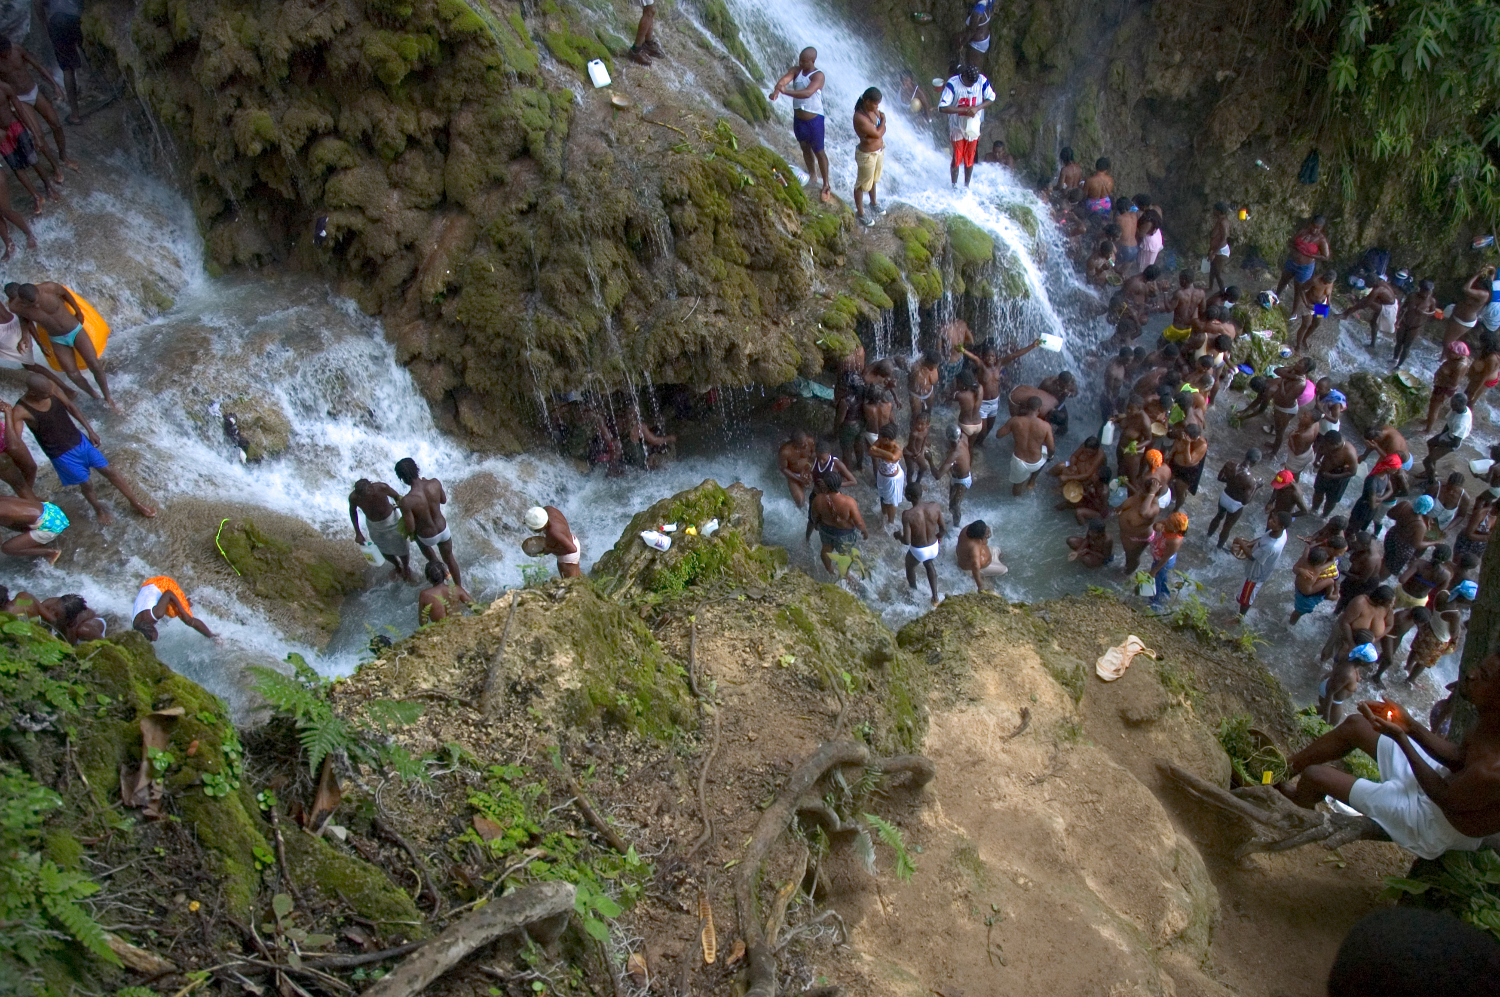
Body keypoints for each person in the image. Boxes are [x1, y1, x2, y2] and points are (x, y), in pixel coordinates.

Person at [1279, 652, 1500, 860]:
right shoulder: (1490, 720)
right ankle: (1273, 773)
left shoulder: (1492, 770)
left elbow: (1445, 798)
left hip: (1435, 823)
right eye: (1480, 667)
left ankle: (1297, 807)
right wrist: (1409, 725)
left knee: (1315, 776)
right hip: (1442, 785)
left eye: (1485, 676)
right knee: (1356, 725)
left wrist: (1402, 739)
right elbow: (1459, 757)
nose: (1471, 674)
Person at [11, 374, 152, 522]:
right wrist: (8, 416)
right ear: (32, 393)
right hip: (61, 454)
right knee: (86, 483)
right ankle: (98, 509)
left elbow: (70, 406)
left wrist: (90, 430)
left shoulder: (50, 387)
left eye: (51, 392)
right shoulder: (20, 411)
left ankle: (135, 503)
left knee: (110, 471)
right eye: (46, 395)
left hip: (79, 441)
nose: (51, 395)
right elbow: (15, 442)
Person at [7, 283, 114, 408]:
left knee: (94, 364)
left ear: (38, 291)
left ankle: (108, 398)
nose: (36, 305)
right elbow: (24, 319)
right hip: (56, 339)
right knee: (72, 374)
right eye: (31, 304)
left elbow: (66, 294)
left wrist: (78, 311)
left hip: (75, 330)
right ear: (23, 301)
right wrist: (26, 337)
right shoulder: (16, 307)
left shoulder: (50, 288)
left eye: (36, 301)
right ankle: (94, 394)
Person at [0, 36, 73, 175]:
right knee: (38, 134)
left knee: (56, 123)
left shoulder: (17, 49)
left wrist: (55, 85)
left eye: (9, 51)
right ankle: (56, 167)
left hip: (33, 90)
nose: (8, 55)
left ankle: (64, 156)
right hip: (19, 98)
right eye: (4, 55)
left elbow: (38, 66)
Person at [394, 457, 466, 594]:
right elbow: (443, 500)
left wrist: (404, 510)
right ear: (417, 468)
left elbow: (411, 528)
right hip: (443, 529)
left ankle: (442, 580)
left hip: (427, 536)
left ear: (402, 478)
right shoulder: (435, 483)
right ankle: (459, 589)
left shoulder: (407, 501)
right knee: (450, 558)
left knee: (433, 559)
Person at [769, 49, 830, 202]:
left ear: (813, 61)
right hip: (799, 119)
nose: (801, 63)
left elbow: (808, 92)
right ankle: (812, 175)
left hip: (815, 120)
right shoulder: (796, 71)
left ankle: (826, 184)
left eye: (804, 61)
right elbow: (783, 81)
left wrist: (785, 92)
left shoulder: (818, 76)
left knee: (819, 151)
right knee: (804, 147)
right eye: (800, 60)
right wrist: (777, 90)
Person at [0, 79, 54, 214]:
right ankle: (36, 196)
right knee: (16, 167)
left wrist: (34, 134)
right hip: (1, 136)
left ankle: (48, 186)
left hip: (14, 127)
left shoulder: (5, 87)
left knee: (33, 158)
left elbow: (20, 110)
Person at [937, 64, 995, 189]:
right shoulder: (953, 84)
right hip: (957, 126)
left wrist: (977, 108)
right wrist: (963, 109)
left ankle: (966, 186)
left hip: (973, 126)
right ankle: (954, 186)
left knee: (970, 157)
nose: (972, 85)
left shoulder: (981, 81)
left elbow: (991, 98)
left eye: (974, 83)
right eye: (970, 83)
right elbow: (942, 107)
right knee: (957, 156)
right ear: (964, 77)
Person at [349, 478, 415, 582]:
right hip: (373, 525)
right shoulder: (354, 498)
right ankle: (397, 566)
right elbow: (353, 512)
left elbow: (397, 497)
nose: (367, 497)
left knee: (402, 545)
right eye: (363, 496)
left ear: (371, 487)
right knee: (382, 548)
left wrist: (406, 518)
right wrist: (358, 533)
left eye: (368, 493)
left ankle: (406, 567)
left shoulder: (381, 488)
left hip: (391, 521)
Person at [808, 471, 867, 582]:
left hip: (826, 530)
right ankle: (846, 575)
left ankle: (830, 570)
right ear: (840, 484)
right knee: (845, 554)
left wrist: (816, 525)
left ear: (825, 485)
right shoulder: (849, 502)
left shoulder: (818, 499)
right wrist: (864, 531)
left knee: (826, 548)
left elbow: (814, 516)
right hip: (844, 533)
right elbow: (859, 522)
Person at [1231, 510, 1292, 616]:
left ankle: (1239, 618)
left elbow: (1251, 557)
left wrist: (1240, 542)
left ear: (1281, 526)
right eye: (1272, 518)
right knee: (1245, 595)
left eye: (1274, 521)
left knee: (1246, 598)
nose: (1270, 521)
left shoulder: (1270, 546)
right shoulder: (1281, 534)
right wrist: (1250, 544)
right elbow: (1262, 539)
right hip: (1260, 568)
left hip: (1255, 575)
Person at [896, 481, 944, 607]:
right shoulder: (935, 506)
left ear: (908, 497)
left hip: (918, 550)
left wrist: (898, 536)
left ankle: (913, 591)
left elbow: (907, 541)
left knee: (910, 566)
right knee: (929, 564)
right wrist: (939, 537)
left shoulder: (907, 514)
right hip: (934, 547)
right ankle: (935, 598)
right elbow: (943, 528)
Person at [995, 395, 1054, 496]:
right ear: (1039, 409)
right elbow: (1051, 448)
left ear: (1026, 407)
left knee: (1017, 486)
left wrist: (1013, 428)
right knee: (1046, 453)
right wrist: (1051, 456)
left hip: (1019, 462)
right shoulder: (1045, 426)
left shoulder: (1015, 421)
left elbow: (998, 435)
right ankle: (1032, 480)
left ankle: (1015, 501)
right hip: (1036, 462)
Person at [129, 575, 218, 642]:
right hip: (146, 585)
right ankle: (185, 602)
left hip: (162, 583)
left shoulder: (157, 613)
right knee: (172, 611)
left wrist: (184, 613)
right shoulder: (136, 625)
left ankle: (214, 637)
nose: (154, 640)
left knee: (187, 619)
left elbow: (168, 593)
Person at [38, 0, 85, 125]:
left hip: (57, 20)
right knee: (88, 51)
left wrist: (45, 26)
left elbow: (38, 4)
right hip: (78, 17)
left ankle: (75, 115)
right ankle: (107, 84)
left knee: (68, 69)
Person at [1317, 633, 1379, 724]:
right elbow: (1330, 692)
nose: (1372, 665)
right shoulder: (1347, 673)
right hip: (1333, 697)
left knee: (1322, 710)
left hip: (1334, 693)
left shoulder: (1352, 659)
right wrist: (1326, 716)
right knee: (1331, 722)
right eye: (1370, 662)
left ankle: (1299, 714)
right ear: (1362, 662)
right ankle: (1299, 715)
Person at [1206, 448, 1261, 548]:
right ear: (1256, 462)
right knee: (1227, 527)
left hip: (1225, 496)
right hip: (1235, 504)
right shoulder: (1251, 480)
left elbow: (1220, 478)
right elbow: (1245, 501)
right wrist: (1256, 487)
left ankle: (1207, 536)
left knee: (1218, 516)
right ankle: (1218, 547)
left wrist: (1231, 482)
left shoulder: (1229, 464)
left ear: (1245, 455)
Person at [1273, 215, 1330, 305]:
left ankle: (1294, 313)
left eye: (1318, 229)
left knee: (1299, 289)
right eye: (1314, 227)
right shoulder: (1303, 231)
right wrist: (1295, 248)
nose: (1315, 230)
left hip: (1305, 267)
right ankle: (1276, 297)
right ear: (1310, 224)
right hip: (1292, 261)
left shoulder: (1321, 240)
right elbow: (1291, 241)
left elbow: (1326, 257)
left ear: (1322, 228)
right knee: (1283, 281)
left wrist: (1310, 255)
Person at [852, 87, 885, 226]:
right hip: (867, 155)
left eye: (878, 104)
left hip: (878, 151)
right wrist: (884, 121)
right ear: (867, 101)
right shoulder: (860, 117)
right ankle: (860, 213)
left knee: (873, 180)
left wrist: (881, 126)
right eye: (875, 104)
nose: (877, 107)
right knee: (862, 184)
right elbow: (878, 133)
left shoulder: (873, 110)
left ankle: (873, 203)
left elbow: (879, 132)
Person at [0, 493, 66, 562]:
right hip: (51, 509)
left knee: (7, 548)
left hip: (52, 525)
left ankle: (50, 552)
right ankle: (33, 541)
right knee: (6, 520)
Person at [1339, 274, 1398, 349]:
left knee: (1365, 303)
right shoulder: (1381, 282)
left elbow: (1365, 304)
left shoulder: (1378, 290)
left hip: (1388, 309)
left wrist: (1355, 301)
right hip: (1389, 304)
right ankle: (1372, 344)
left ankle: (1345, 315)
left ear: (1373, 283)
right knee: (1373, 323)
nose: (1366, 285)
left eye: (1367, 283)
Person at [1422, 392, 1472, 480]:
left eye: (1454, 404)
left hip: (1451, 442)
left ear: (1461, 405)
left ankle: (1431, 481)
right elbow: (1448, 423)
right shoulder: (1457, 409)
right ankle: (1431, 470)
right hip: (1448, 434)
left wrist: (1442, 443)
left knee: (1426, 461)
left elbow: (1455, 444)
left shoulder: (1461, 423)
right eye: (1451, 403)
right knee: (1430, 443)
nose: (1451, 406)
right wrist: (1440, 435)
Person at [1384, 496, 1435, 579]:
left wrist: (1402, 522)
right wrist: (1434, 542)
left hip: (1392, 535)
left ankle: (1379, 571)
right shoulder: (1420, 526)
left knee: (1386, 557)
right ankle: (1379, 578)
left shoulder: (1404, 505)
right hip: (1402, 549)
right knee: (1390, 568)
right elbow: (1417, 544)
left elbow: (1389, 514)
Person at [1425, 342, 1471, 434]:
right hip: (1441, 385)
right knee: (1432, 405)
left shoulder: (1460, 365)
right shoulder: (1456, 360)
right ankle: (1428, 420)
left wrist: (1442, 378)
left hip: (1444, 388)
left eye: (1451, 352)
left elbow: (1454, 382)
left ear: (1459, 355)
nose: (1448, 354)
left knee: (1435, 407)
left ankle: (1428, 429)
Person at [524, 504, 581, 579]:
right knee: (577, 574)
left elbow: (572, 549)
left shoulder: (553, 532)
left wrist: (549, 550)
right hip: (571, 539)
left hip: (568, 557)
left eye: (535, 530)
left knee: (571, 581)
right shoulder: (548, 510)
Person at [1311, 429, 1359, 516]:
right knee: (1318, 492)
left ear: (1335, 445)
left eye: (1327, 445)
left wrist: (1332, 476)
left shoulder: (1349, 453)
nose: (1324, 446)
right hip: (1324, 471)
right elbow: (1320, 450)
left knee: (1331, 500)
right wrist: (1317, 460)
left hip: (1338, 479)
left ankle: (1324, 515)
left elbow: (1352, 472)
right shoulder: (1327, 442)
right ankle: (1314, 509)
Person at [1146, 511, 1187, 611]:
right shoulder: (1168, 522)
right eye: (1168, 520)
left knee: (1156, 580)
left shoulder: (1175, 540)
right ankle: (1165, 594)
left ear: (1176, 528)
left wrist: (1154, 570)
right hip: (1158, 557)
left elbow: (1165, 558)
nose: (1166, 522)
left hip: (1163, 562)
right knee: (1162, 579)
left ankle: (1155, 603)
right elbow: (1155, 526)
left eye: (1170, 523)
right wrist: (1157, 526)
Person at [1444, 267, 1494, 347]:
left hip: (1464, 320)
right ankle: (1443, 358)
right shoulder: (1481, 291)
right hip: (1459, 316)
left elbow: (1465, 289)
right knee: (1448, 341)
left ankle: (1443, 359)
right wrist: (1490, 269)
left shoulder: (1483, 294)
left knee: (1448, 342)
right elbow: (1491, 276)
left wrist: (1476, 275)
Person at [1289, 546, 1339, 625]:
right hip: (1308, 591)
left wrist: (1316, 544)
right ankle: (1329, 595)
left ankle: (1291, 623)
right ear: (1321, 563)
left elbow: (1307, 547)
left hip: (1298, 586)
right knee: (1330, 581)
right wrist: (1334, 554)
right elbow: (1332, 561)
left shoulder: (1304, 560)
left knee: (1298, 611)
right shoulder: (1317, 569)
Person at [1393, 278, 1437, 367]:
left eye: (1429, 292)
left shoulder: (1431, 301)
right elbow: (1403, 308)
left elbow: (1433, 312)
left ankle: (1399, 365)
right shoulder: (1412, 296)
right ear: (1420, 290)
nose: (1427, 294)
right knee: (1399, 343)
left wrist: (1424, 313)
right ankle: (1394, 359)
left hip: (1416, 326)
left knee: (1407, 346)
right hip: (1404, 323)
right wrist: (1397, 320)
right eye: (1425, 292)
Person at [935, 424, 972, 526]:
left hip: (962, 481)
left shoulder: (954, 454)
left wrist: (929, 460)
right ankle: (955, 521)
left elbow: (937, 475)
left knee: (954, 506)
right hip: (958, 477)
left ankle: (956, 527)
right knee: (951, 505)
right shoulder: (964, 438)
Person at [1292, 269, 1336, 353]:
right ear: (1323, 276)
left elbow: (1329, 293)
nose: (1327, 283)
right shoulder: (1314, 280)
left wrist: (1329, 301)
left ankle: (1304, 339)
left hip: (1321, 306)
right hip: (1309, 304)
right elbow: (1301, 289)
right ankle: (1298, 346)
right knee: (1306, 324)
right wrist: (1306, 303)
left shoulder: (1331, 282)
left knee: (1316, 323)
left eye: (1329, 282)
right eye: (1326, 281)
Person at [869, 423, 905, 526]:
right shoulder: (881, 441)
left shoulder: (897, 448)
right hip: (882, 475)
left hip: (892, 479)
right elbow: (871, 451)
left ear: (887, 439)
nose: (878, 437)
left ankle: (891, 522)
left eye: (880, 436)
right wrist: (883, 454)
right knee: (882, 496)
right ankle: (883, 515)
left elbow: (893, 457)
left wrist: (879, 450)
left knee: (892, 502)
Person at [956, 519, 1006, 591]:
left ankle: (995, 561)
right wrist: (980, 586)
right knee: (1004, 569)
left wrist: (986, 530)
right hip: (970, 568)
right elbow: (975, 567)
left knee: (998, 550)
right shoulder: (974, 548)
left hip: (974, 555)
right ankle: (981, 573)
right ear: (979, 538)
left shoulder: (967, 529)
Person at [417, 560, 470, 625]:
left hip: (441, 632)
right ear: (445, 574)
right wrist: (449, 579)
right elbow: (475, 607)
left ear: (429, 579)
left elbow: (423, 623)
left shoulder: (424, 595)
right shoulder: (456, 589)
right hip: (457, 628)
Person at [777, 428, 815, 507]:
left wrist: (809, 468)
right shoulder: (785, 451)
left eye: (805, 442)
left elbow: (814, 455)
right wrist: (799, 479)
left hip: (809, 469)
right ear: (794, 444)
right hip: (794, 475)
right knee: (800, 502)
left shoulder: (810, 441)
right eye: (802, 443)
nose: (805, 445)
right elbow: (783, 468)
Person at [1160, 271, 1202, 343]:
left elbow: (1169, 309)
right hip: (1189, 330)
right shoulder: (1201, 293)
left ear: (1184, 280)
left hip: (1176, 329)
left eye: (1180, 279)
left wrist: (1165, 292)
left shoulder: (1180, 293)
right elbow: (1203, 309)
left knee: (1160, 341)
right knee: (1180, 346)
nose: (1179, 281)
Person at [1206, 202, 1231, 294]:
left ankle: (1223, 293)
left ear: (1219, 211)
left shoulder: (1223, 223)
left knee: (1218, 273)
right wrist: (1211, 250)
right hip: (1216, 250)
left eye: (1214, 210)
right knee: (1212, 269)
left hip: (1221, 251)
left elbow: (1224, 239)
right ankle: (1210, 288)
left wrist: (1214, 253)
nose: (1213, 211)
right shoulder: (1220, 220)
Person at [959, 0, 993, 66]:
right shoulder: (987, 4)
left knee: (971, 65)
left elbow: (971, 32)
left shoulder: (977, 13)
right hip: (984, 38)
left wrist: (962, 43)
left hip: (977, 43)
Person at [1081, 157, 1114, 223]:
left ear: (1096, 166)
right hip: (1106, 204)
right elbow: (1109, 192)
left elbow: (1084, 195)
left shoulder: (1089, 180)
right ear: (1107, 168)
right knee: (1103, 223)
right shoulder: (1111, 180)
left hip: (1093, 205)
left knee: (1091, 222)